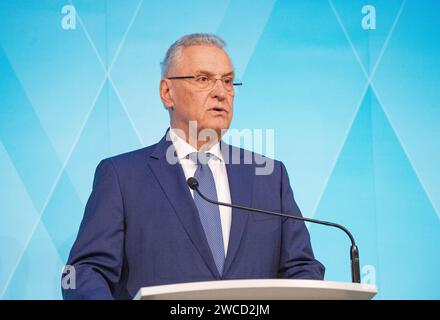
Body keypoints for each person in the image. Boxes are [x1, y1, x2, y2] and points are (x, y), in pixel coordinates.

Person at [62, 33, 325, 300]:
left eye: (228, 81)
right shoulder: (122, 177)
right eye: (203, 79)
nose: (221, 92)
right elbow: (85, 271)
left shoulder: (268, 175)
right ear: (167, 92)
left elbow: (301, 268)